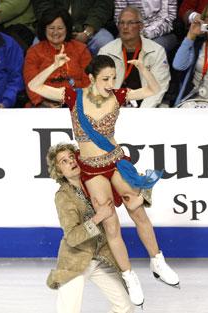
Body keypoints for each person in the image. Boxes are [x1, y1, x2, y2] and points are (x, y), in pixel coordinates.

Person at [29, 52, 180, 306]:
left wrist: (143, 68)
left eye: (114, 78)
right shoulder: (72, 96)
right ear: (91, 78)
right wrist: (53, 66)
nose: (111, 84)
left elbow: (154, 88)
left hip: (115, 161)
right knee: (110, 221)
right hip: (91, 169)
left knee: (136, 207)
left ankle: (157, 260)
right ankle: (128, 275)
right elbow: (34, 86)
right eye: (105, 79)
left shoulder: (118, 96)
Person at [46, 142, 134, 313]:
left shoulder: (95, 183)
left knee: (124, 306)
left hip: (101, 258)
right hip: (76, 260)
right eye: (63, 161)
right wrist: (98, 217)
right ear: (59, 171)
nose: (71, 162)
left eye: (71, 157)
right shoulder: (64, 196)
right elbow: (72, 237)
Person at [99, 6, 170, 108]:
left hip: (147, 106)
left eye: (130, 23)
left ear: (140, 26)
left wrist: (141, 114)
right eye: (121, 23)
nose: (125, 27)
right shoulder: (106, 51)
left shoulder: (157, 51)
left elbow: (159, 87)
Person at [23, 8, 92, 108]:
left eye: (60, 28)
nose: (56, 32)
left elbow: (89, 82)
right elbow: (31, 83)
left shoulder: (81, 49)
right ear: (44, 29)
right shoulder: (34, 52)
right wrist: (43, 102)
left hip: (77, 101)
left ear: (67, 29)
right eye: (51, 28)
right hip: (44, 103)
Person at [32, 0, 115, 55]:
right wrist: (60, 30)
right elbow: (42, 6)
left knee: (106, 42)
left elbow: (103, 6)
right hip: (54, 27)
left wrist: (88, 31)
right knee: (37, 46)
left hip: (88, 27)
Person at [114, 0, 178, 53]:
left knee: (149, 50)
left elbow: (170, 19)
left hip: (161, 32)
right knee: (117, 49)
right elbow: (119, 17)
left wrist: (147, 34)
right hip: (131, 29)